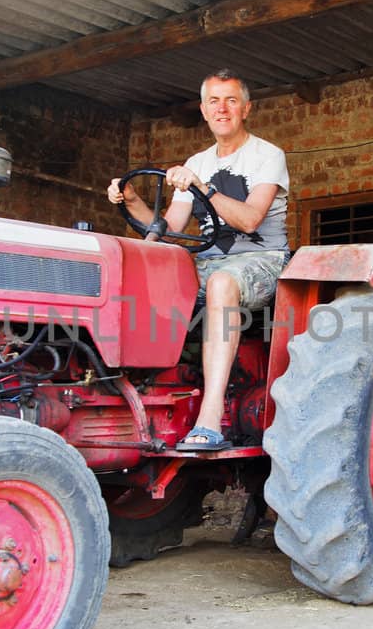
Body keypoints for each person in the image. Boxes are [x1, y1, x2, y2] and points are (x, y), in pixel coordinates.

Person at [108, 69, 288, 451]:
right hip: (206, 262)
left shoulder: (267, 155)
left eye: (231, 100)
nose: (222, 109)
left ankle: (210, 416)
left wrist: (202, 186)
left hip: (262, 260)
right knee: (144, 273)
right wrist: (132, 199)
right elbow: (169, 228)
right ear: (204, 111)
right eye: (214, 101)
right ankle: (137, 395)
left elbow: (250, 218)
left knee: (223, 282)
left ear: (246, 109)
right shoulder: (198, 160)